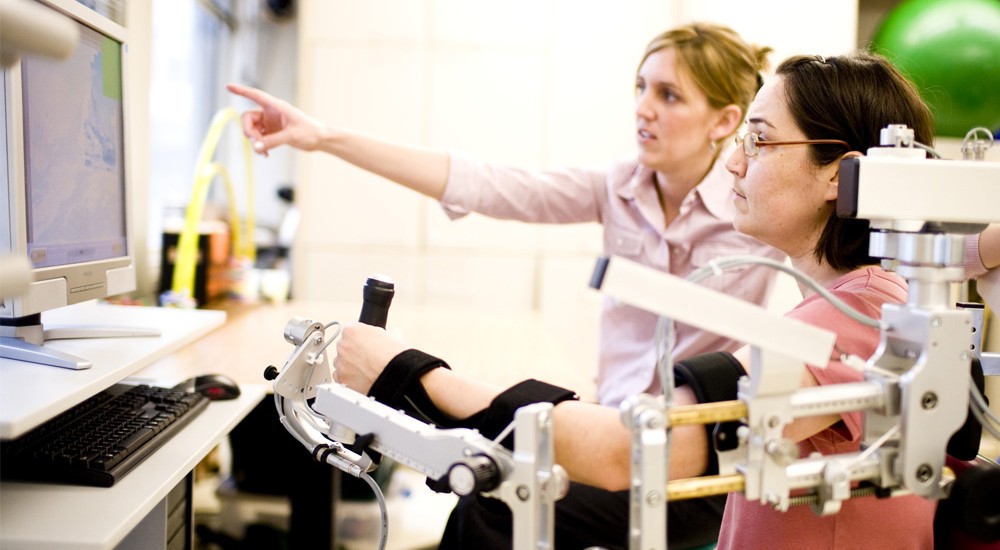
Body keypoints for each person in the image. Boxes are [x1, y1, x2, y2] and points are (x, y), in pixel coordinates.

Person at [332, 50, 1000, 550]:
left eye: (759, 140)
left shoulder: (858, 322)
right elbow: (494, 184)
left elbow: (627, 451)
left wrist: (410, 370)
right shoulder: (847, 306)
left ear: (841, 175)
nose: (734, 163)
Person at [229, 22, 784, 549]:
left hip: (695, 465)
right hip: (610, 433)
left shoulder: (757, 207)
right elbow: (488, 184)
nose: (643, 107)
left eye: (668, 95)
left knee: (493, 508)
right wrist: (322, 137)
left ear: (723, 121)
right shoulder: (620, 188)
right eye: (641, 87)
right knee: (482, 475)